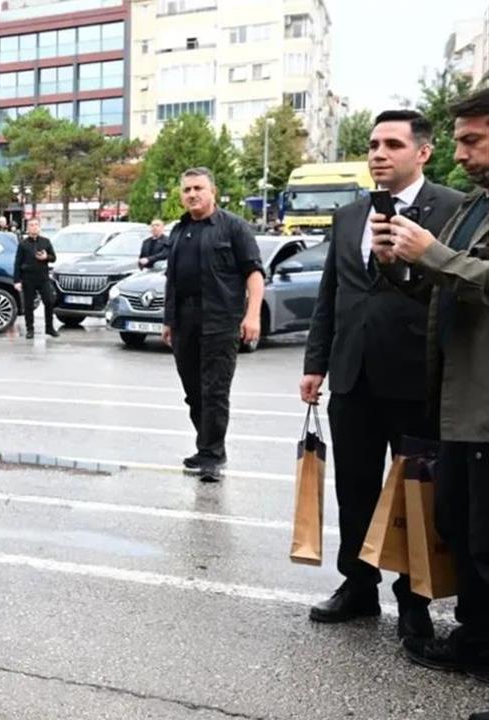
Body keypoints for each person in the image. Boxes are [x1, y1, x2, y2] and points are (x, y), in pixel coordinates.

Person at [300, 110, 464, 638]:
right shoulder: (350, 216)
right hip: (353, 376)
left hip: (418, 375)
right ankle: (358, 586)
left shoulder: (455, 210)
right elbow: (332, 295)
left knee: (417, 493)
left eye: (392, 143)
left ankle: (414, 597)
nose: (378, 153)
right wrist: (315, 363)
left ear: (422, 152)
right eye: (373, 143)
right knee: (356, 486)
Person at [372, 86, 489, 689]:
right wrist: (400, 265)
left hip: (484, 403)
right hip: (457, 404)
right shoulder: (473, 205)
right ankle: (474, 640)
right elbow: (445, 289)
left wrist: (436, 255)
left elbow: (464, 272)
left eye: (473, 140)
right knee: (463, 530)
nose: (462, 154)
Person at [161, 167, 263, 483]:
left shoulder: (234, 227)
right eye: (187, 189)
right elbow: (172, 280)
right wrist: (168, 320)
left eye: (198, 188)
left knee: (214, 391)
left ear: (212, 191)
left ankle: (212, 455)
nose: (192, 194)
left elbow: (254, 273)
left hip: (219, 321)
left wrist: (253, 314)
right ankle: (206, 446)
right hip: (184, 322)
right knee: (193, 392)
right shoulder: (178, 230)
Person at [13, 216, 58, 339]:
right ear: (28, 228)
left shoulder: (46, 241)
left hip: (43, 277)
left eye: (36, 225)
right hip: (28, 278)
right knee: (28, 305)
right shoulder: (23, 244)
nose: (34, 227)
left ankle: (49, 327)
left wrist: (46, 257)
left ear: (39, 227)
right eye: (31, 225)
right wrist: (16, 280)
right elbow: (17, 263)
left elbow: (54, 257)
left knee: (49, 301)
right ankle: (30, 329)